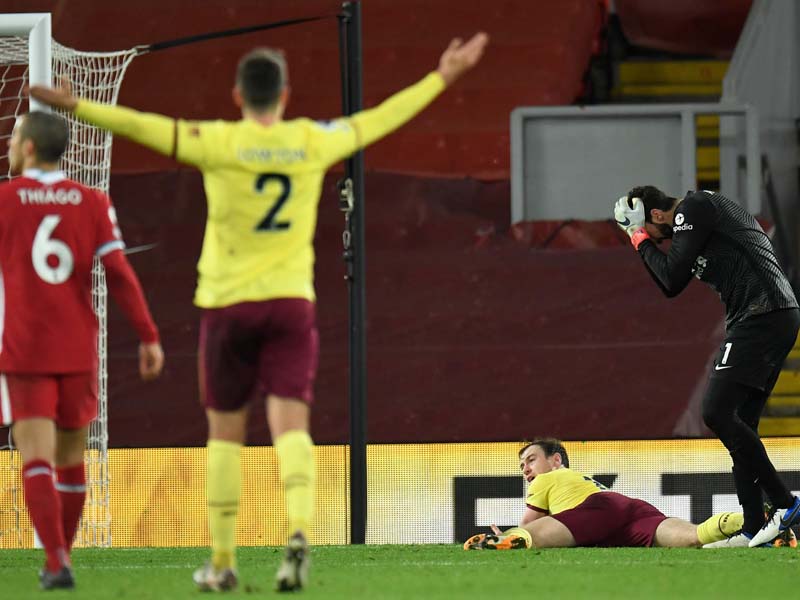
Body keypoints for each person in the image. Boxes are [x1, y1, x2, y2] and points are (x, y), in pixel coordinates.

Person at [30, 32, 489, 591]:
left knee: (224, 435)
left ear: (237, 96)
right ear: (286, 95)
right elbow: (382, 118)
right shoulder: (312, 140)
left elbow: (141, 124)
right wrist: (443, 76)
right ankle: (298, 534)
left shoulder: (216, 141)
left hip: (226, 305)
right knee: (292, 426)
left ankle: (222, 562)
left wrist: (78, 106)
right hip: (290, 303)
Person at [0, 111, 164, 590]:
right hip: (77, 348)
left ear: (29, 147)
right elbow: (119, 273)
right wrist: (148, 334)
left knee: (35, 457)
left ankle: (56, 561)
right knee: (72, 460)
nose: (9, 146)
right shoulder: (92, 200)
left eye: (13, 138)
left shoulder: (5, 201)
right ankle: (61, 558)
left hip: (25, 350)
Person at [612, 186, 800, 548]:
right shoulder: (698, 214)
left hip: (762, 314)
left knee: (715, 410)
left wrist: (638, 239)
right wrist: (642, 238)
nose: (657, 241)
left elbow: (671, 279)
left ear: (656, 215)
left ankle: (784, 503)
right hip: (770, 313)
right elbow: (671, 276)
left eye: (650, 230)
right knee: (740, 423)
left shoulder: (693, 207)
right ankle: (753, 527)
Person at [464, 438, 755, 550]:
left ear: (556, 460)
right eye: (521, 465)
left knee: (523, 538)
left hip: (595, 512)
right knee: (694, 538)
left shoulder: (547, 478)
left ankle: (499, 544)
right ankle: (756, 522)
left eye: (530, 459)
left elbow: (530, 526)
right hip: (630, 509)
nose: (525, 469)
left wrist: (509, 535)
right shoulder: (578, 479)